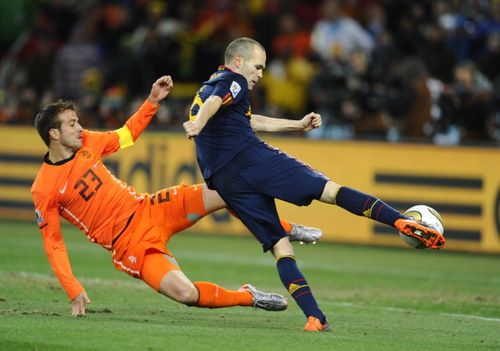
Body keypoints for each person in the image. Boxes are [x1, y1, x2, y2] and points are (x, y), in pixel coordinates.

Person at [183, 37, 446, 332]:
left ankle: (314, 317)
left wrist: (297, 125)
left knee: (280, 247)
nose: (260, 74)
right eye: (258, 67)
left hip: (224, 180)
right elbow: (215, 104)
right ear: (239, 61)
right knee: (330, 191)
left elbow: (246, 119)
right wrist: (198, 124)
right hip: (250, 159)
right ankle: (400, 222)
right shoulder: (234, 80)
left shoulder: (210, 83)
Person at [31, 75, 320, 317]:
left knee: (227, 189)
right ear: (54, 134)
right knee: (186, 294)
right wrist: (73, 289)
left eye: (78, 121)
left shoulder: (88, 143)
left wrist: (152, 101)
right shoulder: (44, 187)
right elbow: (53, 244)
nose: (80, 127)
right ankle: (248, 296)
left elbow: (127, 134)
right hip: (131, 245)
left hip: (150, 208)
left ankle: (285, 230)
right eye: (72, 124)